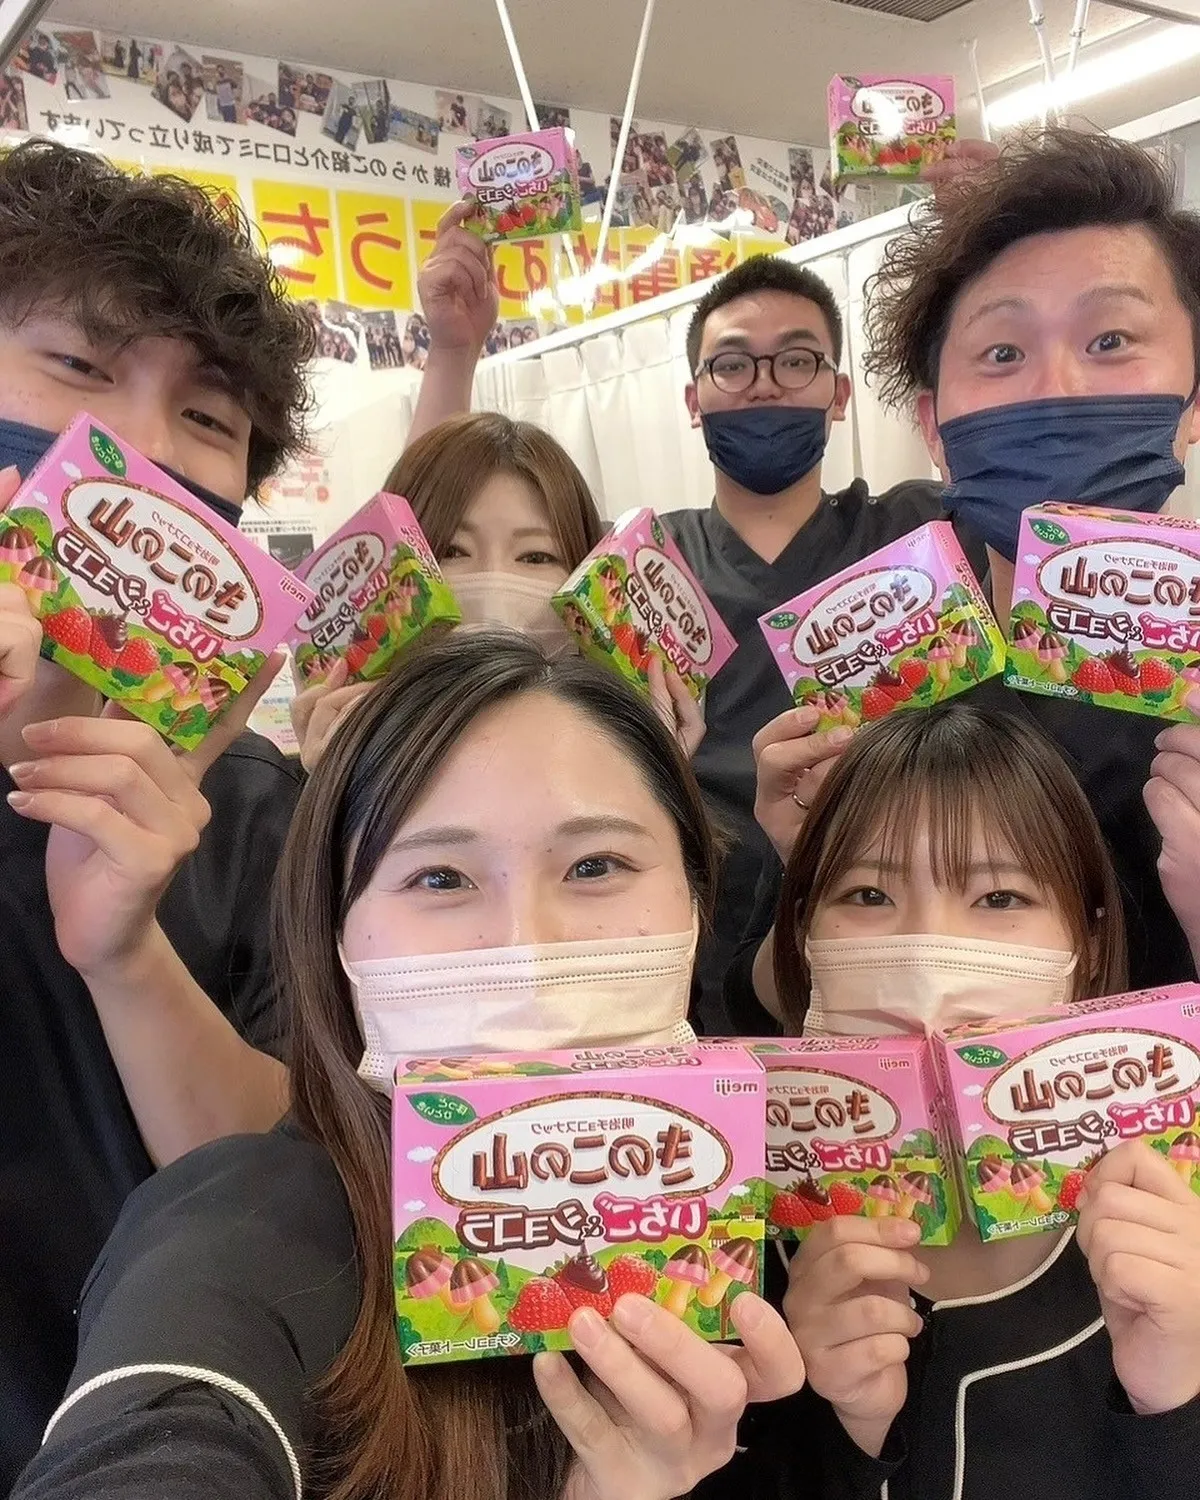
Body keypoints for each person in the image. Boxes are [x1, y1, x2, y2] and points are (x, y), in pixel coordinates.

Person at [13, 631, 806, 1500]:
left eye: (596, 865)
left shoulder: (762, 1225)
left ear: (696, 897)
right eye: (439, 878)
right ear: (337, 928)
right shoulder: (254, 1237)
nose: (523, 944)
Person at [404, 216, 956, 1031]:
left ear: (839, 395)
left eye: (796, 360)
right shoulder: (640, 563)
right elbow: (425, 540)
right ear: (694, 400)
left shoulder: (914, 535)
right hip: (683, 935)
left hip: (893, 916)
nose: (764, 385)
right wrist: (452, 355)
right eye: (732, 364)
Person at [0, 140, 315, 1487]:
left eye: (206, 418)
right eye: (79, 364)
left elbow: (284, 1193)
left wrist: (126, 955)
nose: (133, 449)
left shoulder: (259, 810)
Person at [709, 703, 1200, 1500]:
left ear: (1087, 941)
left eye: (1000, 898)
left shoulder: (1179, 1214)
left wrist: (1175, 1403)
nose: (928, 948)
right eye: (868, 894)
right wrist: (849, 1433)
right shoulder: (730, 1235)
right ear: (803, 934)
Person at [290, 413, 703, 769]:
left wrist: (657, 778)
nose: (492, 584)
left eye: (536, 556)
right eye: (452, 551)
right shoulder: (368, 746)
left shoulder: (612, 745)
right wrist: (335, 787)